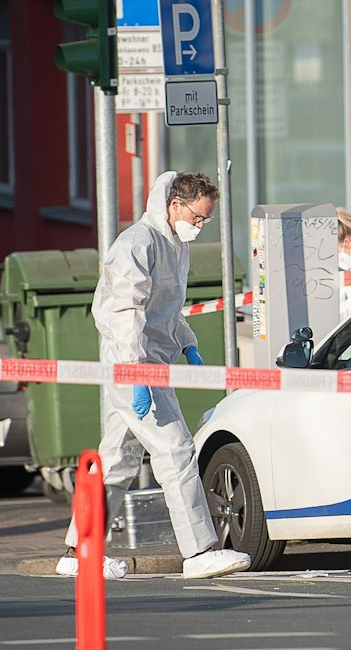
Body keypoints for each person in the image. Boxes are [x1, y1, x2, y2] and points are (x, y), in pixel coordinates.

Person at [58, 171, 250, 580]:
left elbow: (166, 309)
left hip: (145, 364)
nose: (199, 226)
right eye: (197, 217)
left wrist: (187, 344)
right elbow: (124, 312)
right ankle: (199, 551)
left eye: (205, 221)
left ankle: (78, 552)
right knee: (177, 451)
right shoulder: (138, 243)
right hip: (134, 364)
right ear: (175, 205)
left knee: (115, 462)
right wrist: (136, 372)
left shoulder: (172, 244)